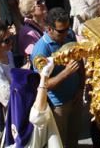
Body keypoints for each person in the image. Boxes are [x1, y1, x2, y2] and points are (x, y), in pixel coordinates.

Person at [31, 8, 84, 147]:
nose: (66, 33)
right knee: (58, 142)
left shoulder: (69, 34)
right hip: (59, 104)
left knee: (73, 138)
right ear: (49, 29)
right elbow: (44, 85)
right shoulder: (41, 50)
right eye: (61, 31)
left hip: (75, 97)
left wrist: (81, 88)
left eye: (67, 28)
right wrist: (66, 72)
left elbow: (80, 61)